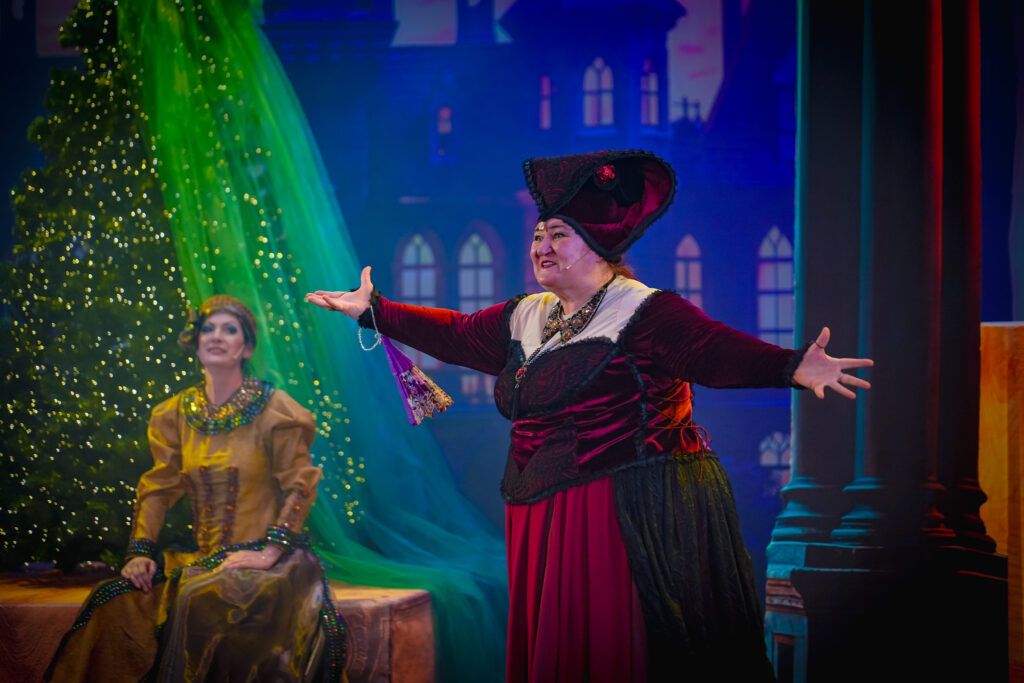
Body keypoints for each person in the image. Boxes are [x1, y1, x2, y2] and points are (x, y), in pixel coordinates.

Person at [307, 150, 872, 683]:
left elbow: (713, 351)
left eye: (559, 235)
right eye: (538, 236)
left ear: (599, 244)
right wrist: (374, 311)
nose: (542, 247)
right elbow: (455, 333)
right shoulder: (528, 316)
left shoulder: (644, 310)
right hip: (540, 516)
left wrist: (793, 366)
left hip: (618, 515)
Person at [46, 295, 346, 683]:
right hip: (207, 560)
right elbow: (159, 488)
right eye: (208, 329)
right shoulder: (174, 414)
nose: (216, 336)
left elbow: (301, 485)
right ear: (197, 341)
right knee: (113, 599)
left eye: (229, 330)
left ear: (246, 347)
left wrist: (269, 552)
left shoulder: (275, 410)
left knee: (200, 596)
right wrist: (140, 552)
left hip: (272, 564)